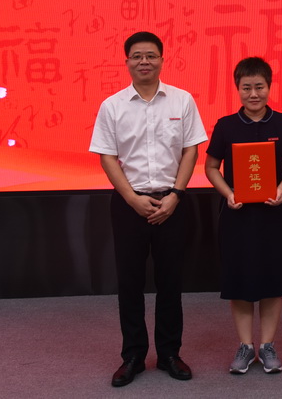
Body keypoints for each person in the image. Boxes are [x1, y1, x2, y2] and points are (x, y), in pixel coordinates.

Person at [89, 31, 207, 387]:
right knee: (130, 283)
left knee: (171, 281)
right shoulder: (112, 106)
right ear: (126, 62)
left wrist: (176, 195)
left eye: (151, 55)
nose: (145, 61)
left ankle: (170, 353)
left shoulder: (182, 100)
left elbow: (191, 150)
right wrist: (131, 198)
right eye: (137, 56)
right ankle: (133, 356)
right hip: (130, 204)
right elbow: (107, 156)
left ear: (162, 60)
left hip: (172, 202)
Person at [204, 57, 282, 375]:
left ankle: (268, 345)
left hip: (274, 215)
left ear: (269, 87)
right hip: (237, 216)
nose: (253, 94)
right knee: (241, 282)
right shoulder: (226, 125)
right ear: (238, 89)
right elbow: (211, 167)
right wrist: (228, 193)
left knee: (273, 282)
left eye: (259, 86)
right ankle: (246, 346)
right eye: (246, 87)